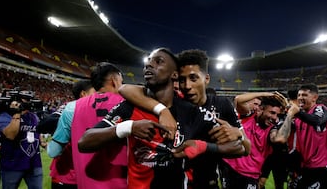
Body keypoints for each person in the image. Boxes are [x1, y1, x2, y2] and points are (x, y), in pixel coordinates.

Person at [78, 48, 244, 189]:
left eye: (158, 61)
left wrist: (204, 146)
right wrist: (129, 127)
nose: (149, 64)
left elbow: (238, 148)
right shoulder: (130, 106)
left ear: (174, 75)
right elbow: (84, 142)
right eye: (149, 61)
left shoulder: (191, 111)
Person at [47, 62, 127, 189]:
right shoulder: (128, 105)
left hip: (85, 184)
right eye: (121, 81)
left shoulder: (71, 108)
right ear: (114, 81)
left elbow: (53, 151)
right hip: (121, 183)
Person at [220, 91, 290, 189]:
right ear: (260, 109)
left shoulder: (273, 128)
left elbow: (280, 139)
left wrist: (289, 114)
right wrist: (267, 94)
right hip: (230, 168)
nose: (274, 117)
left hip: (251, 174)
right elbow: (238, 100)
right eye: (272, 112)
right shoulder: (248, 116)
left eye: (277, 115)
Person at [44, 79, 94, 189]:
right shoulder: (70, 109)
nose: (97, 97)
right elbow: (44, 126)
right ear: (83, 94)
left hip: (80, 174)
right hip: (67, 174)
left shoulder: (91, 111)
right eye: (94, 93)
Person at [293, 83, 327, 189]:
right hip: (306, 165)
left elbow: (317, 120)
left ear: (315, 97)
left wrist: (297, 112)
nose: (300, 98)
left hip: (321, 166)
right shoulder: (299, 118)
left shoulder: (320, 108)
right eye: (299, 95)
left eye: (304, 95)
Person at [0, 91, 43, 189]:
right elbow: (10, 135)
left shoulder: (33, 116)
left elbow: (36, 131)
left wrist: (43, 142)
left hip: (34, 163)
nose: (28, 102)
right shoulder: (4, 116)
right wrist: (17, 112)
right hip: (13, 164)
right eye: (25, 99)